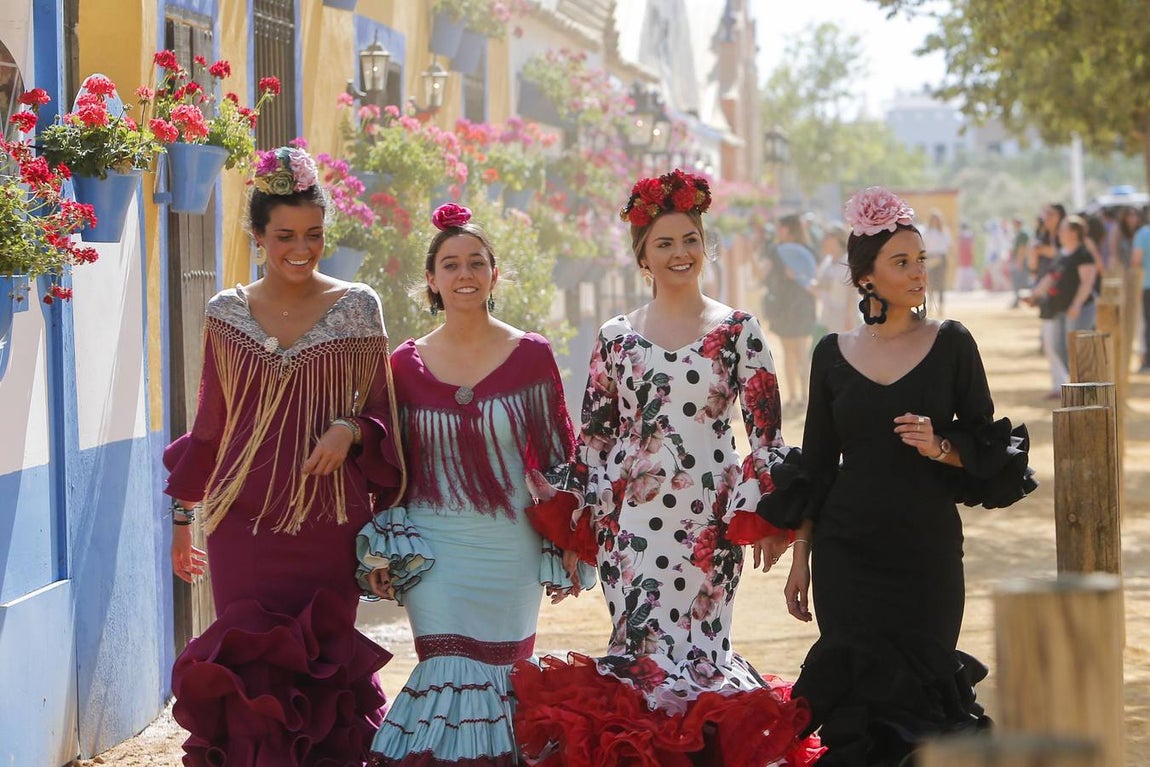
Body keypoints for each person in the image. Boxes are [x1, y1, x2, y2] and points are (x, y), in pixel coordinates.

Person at [510, 169, 825, 767]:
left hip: (709, 523)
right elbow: (597, 442)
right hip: (632, 525)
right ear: (642, 257)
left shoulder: (740, 331)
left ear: (705, 246)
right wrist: (585, 529)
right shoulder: (615, 338)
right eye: (664, 243)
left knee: (704, 654)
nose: (680, 253)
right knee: (640, 658)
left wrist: (767, 518)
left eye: (689, 240)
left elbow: (766, 438)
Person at [768, 186, 1036, 767]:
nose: (919, 273)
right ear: (867, 278)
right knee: (855, 703)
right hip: (846, 552)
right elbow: (814, 464)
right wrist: (800, 556)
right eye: (902, 262)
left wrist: (941, 447)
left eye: (921, 260)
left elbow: (991, 446)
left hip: (926, 553)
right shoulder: (830, 353)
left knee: (927, 702)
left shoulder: (953, 343)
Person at [164, 146, 405, 766]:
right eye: (285, 235)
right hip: (240, 522)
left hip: (327, 522)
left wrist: (350, 431)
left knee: (321, 664)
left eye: (315, 234)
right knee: (250, 663)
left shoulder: (359, 305)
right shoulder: (225, 313)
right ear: (258, 236)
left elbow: (384, 412)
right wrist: (183, 520)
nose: (301, 248)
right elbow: (211, 426)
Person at [356, 203, 591, 766]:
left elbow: (561, 460)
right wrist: (386, 546)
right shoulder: (402, 366)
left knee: (504, 681)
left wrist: (570, 545)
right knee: (444, 671)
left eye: (477, 263)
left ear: (494, 274)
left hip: (509, 549)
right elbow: (390, 470)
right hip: (435, 549)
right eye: (451, 264)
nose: (465, 274)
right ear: (432, 281)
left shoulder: (531, 355)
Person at [1025, 214, 1098, 399]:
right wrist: (1035, 296)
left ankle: (1083, 387)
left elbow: (1087, 283)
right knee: (1058, 346)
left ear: (1074, 232)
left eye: (1064, 229)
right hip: (1059, 310)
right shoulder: (1062, 254)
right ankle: (1074, 384)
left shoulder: (1083, 254)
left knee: (1075, 348)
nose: (1060, 232)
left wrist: (1077, 304)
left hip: (1078, 310)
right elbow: (1050, 278)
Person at [764, 213, 819, 410]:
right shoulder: (809, 249)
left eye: (779, 227)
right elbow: (816, 277)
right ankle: (805, 396)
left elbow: (763, 274)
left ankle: (794, 397)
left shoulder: (775, 250)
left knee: (789, 352)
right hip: (804, 305)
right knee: (801, 352)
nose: (777, 231)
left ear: (787, 229)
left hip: (784, 306)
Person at [815, 224, 857, 335]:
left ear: (838, 239)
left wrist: (849, 317)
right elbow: (820, 286)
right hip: (827, 315)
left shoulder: (848, 262)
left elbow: (852, 292)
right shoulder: (827, 261)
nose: (824, 241)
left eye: (827, 238)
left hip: (843, 316)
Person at [921, 210, 951, 313]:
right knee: (930, 283)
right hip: (930, 257)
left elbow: (947, 247)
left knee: (941, 282)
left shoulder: (944, 232)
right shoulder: (926, 232)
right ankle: (930, 305)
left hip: (941, 257)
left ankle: (941, 306)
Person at [1133, 209, 1150, 371]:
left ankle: (1147, 361)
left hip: (1146, 286)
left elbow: (1136, 260)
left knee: (1146, 324)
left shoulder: (1143, 234)